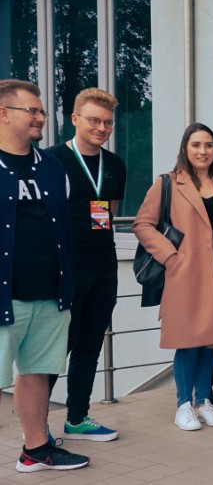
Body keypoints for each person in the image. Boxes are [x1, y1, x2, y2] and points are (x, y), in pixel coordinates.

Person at [0, 79, 90, 472]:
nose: (40, 117)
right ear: (3, 114)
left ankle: (35, 449)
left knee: (37, 372)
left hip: (51, 295)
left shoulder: (52, 166)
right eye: (31, 111)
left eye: (40, 111)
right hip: (6, 297)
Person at [133, 123, 213, 430]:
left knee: (212, 340)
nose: (203, 151)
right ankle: (183, 404)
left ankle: (203, 400)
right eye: (196, 145)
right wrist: (170, 256)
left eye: (208, 145)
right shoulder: (167, 183)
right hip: (184, 273)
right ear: (185, 148)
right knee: (188, 340)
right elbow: (143, 224)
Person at [46, 88, 126, 442]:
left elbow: (108, 214)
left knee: (90, 345)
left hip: (104, 266)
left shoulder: (116, 165)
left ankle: (77, 417)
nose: (102, 128)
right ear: (75, 118)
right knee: (53, 349)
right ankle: (35, 429)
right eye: (94, 120)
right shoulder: (50, 161)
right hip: (65, 268)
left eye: (108, 122)